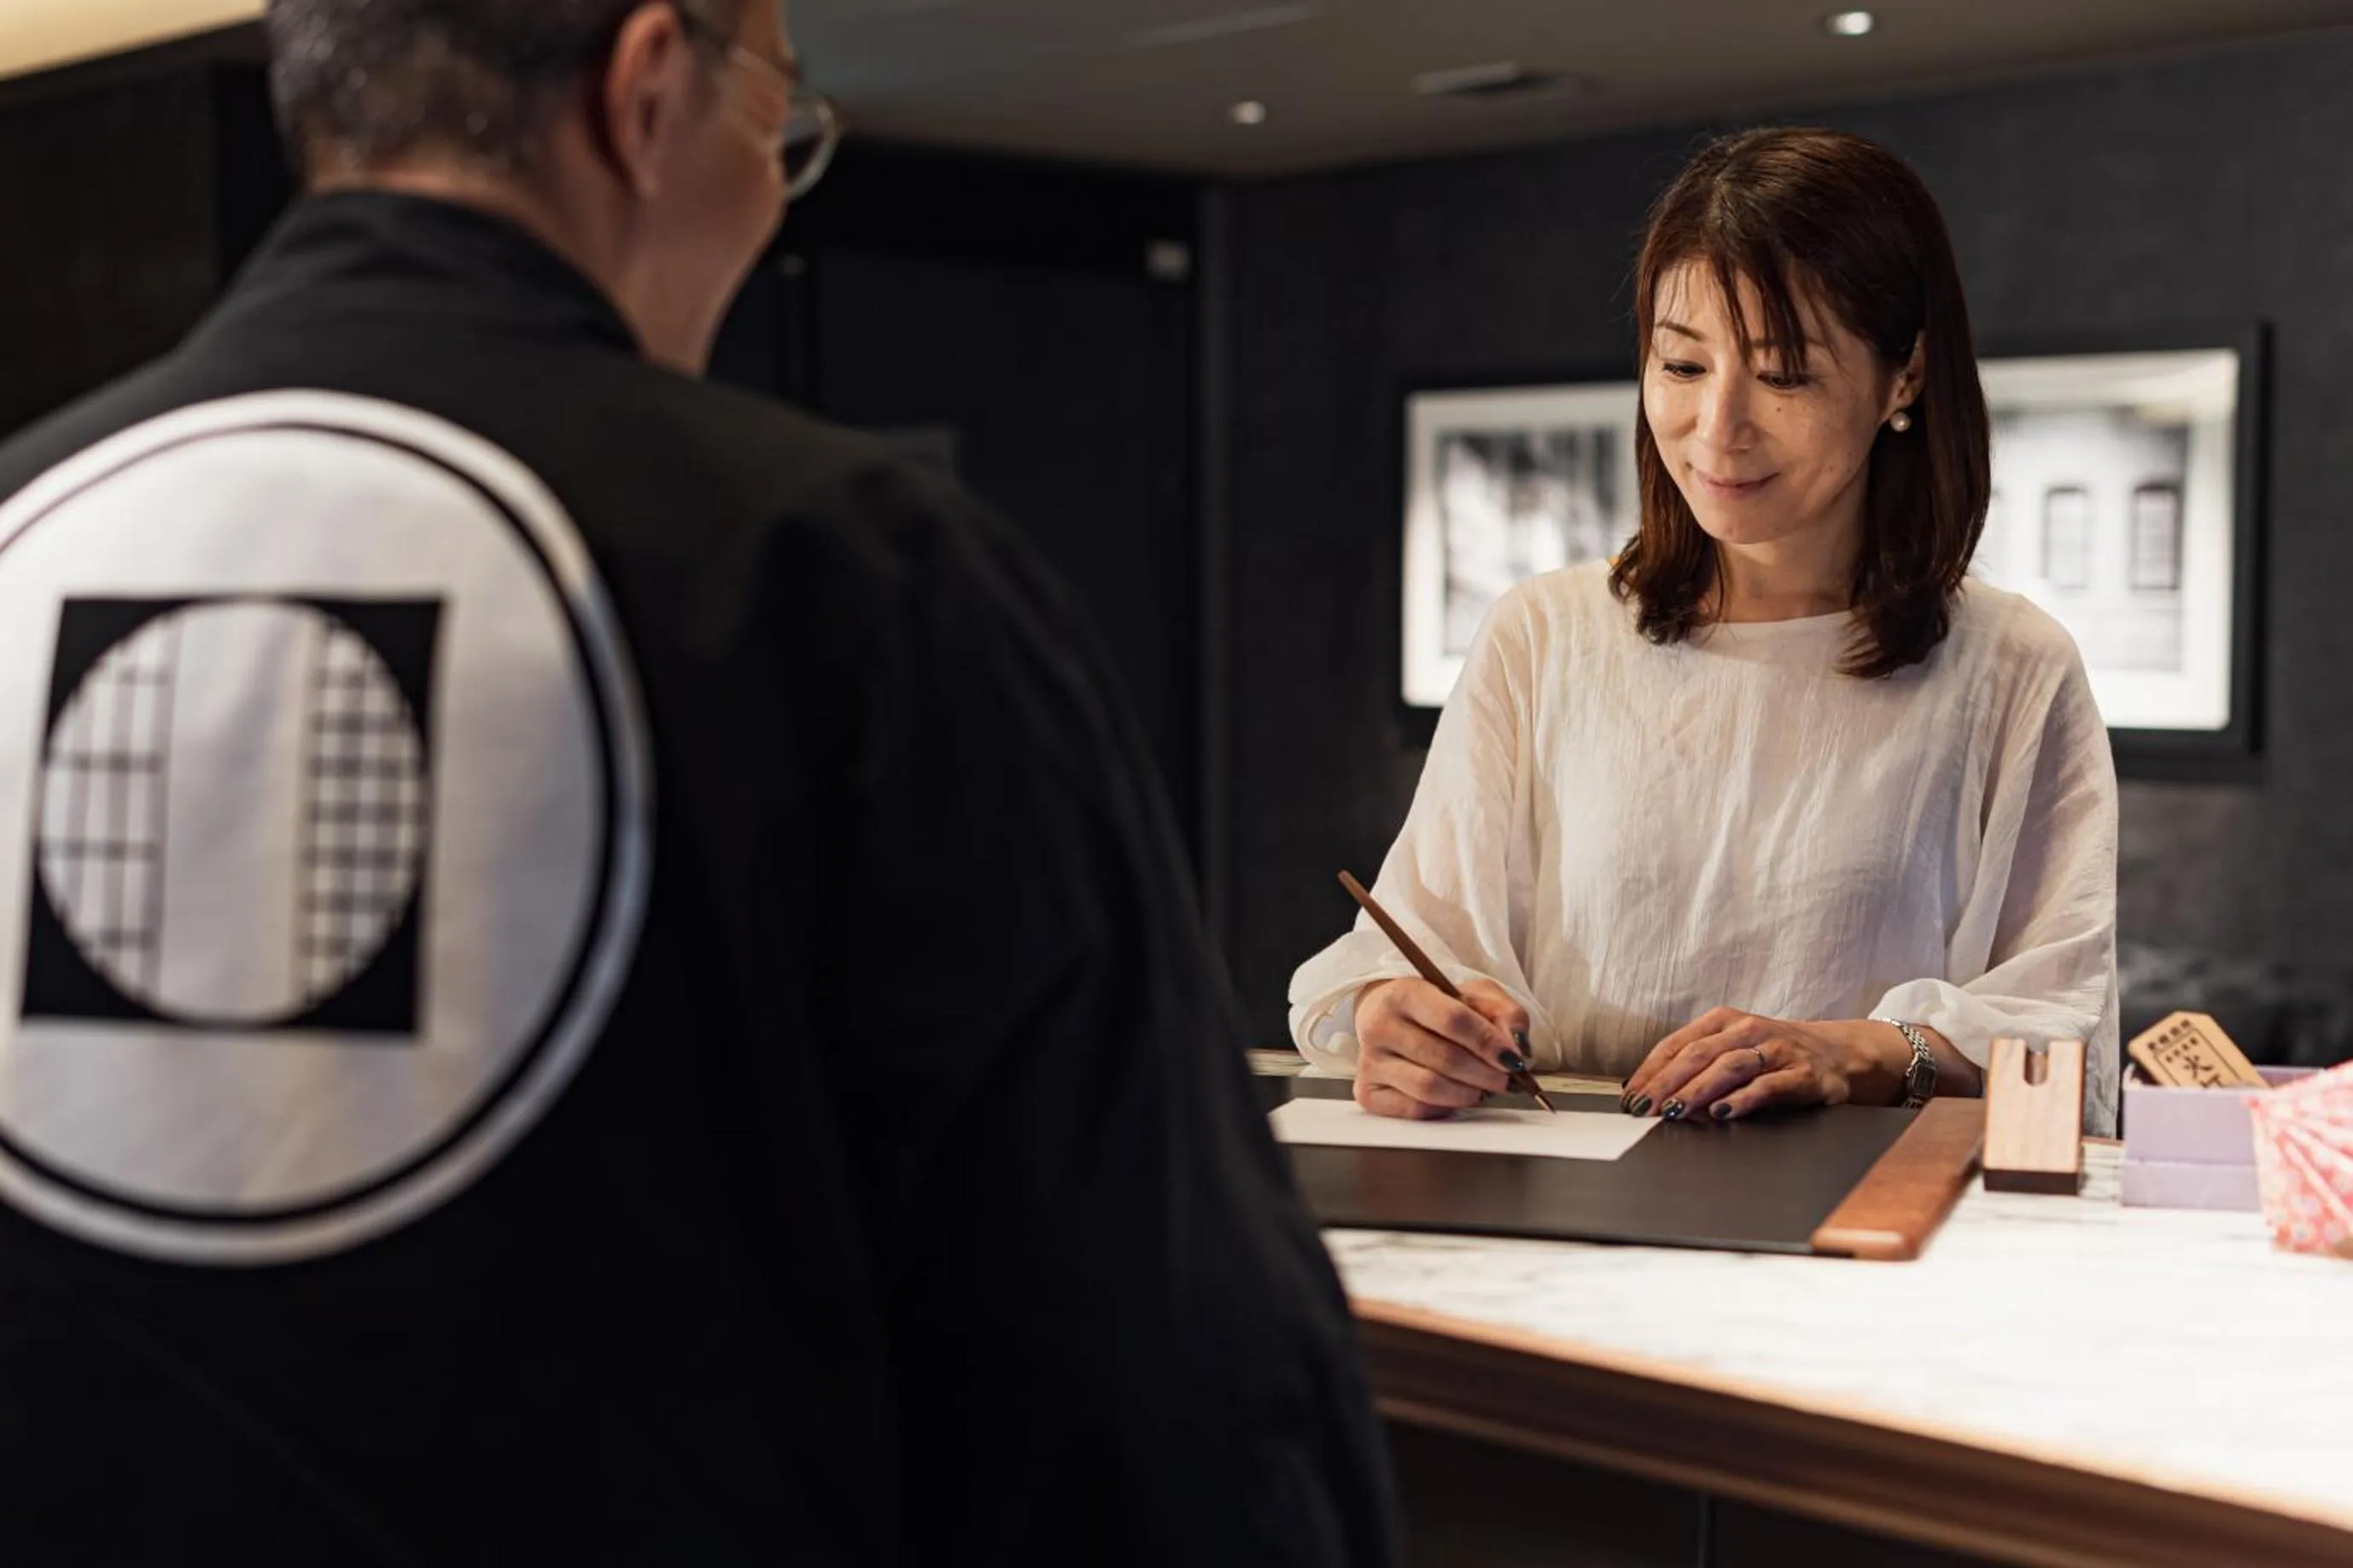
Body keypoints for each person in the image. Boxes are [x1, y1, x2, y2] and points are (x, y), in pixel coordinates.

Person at [0, 3, 1395, 1562]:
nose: (773, 190)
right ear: (650, 85)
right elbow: (1164, 1369)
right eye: (778, 123)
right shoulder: (850, 576)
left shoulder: (23, 519)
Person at [1290, 127, 2120, 1136]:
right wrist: (1398, 1016)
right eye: (1681, 364)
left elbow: (2063, 1039)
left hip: (1858, 1211)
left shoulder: (2010, 668)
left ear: (1902, 375)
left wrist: (1855, 1051)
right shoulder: (1541, 636)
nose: (1717, 426)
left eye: (1783, 375)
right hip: (1575, 1201)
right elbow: (1414, 945)